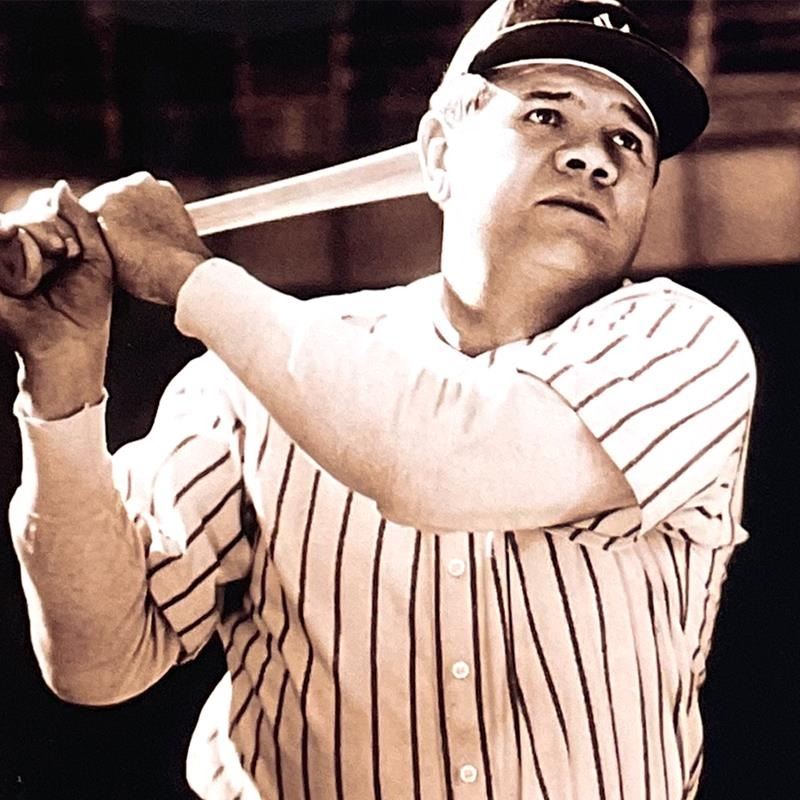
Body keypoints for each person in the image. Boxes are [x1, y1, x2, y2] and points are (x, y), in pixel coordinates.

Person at [0, 1, 756, 798]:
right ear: (440, 154)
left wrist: (187, 274)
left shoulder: (685, 347)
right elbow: (98, 663)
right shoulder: (251, 372)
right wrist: (61, 381)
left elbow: (450, 458)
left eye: (628, 140)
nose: (595, 158)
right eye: (545, 114)